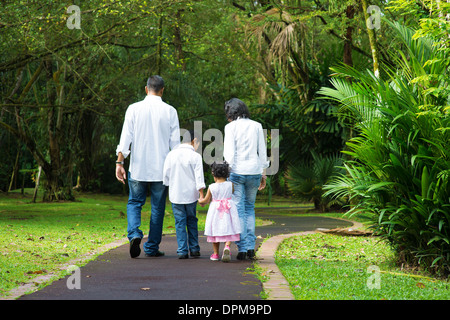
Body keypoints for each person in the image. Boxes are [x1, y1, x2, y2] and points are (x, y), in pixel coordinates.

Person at [115, 75, 180, 258]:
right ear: (162, 90)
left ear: (146, 89)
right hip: (162, 169)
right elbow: (175, 145)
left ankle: (135, 233)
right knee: (158, 207)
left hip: (138, 168)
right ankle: (151, 247)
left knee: (135, 202)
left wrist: (120, 162)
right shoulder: (170, 111)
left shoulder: (134, 109)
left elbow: (125, 138)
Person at [223, 98, 269, 260]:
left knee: (239, 209)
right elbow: (262, 152)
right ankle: (250, 247)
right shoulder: (256, 126)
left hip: (237, 171)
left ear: (231, 113)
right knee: (250, 208)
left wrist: (227, 174)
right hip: (254, 171)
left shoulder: (230, 127)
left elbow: (229, 153)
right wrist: (264, 173)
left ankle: (242, 248)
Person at [162, 129, 205, 259]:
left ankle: (182, 250)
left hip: (176, 194)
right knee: (192, 220)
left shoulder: (171, 154)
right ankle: (194, 248)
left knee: (180, 222)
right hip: (191, 195)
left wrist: (170, 184)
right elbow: (199, 178)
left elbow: (166, 176)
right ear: (194, 141)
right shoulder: (196, 157)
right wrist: (201, 195)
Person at [199, 161, 241, 262]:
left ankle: (216, 254)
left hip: (216, 210)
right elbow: (232, 193)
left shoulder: (211, 187)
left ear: (213, 174)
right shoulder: (230, 185)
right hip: (228, 208)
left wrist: (200, 200)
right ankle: (227, 246)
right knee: (229, 227)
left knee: (215, 230)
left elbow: (206, 200)